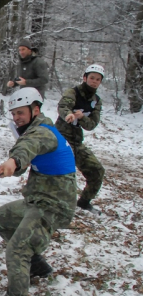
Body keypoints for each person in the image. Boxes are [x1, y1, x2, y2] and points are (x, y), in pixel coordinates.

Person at [0, 87, 76, 296]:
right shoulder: (34, 130)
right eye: (13, 114)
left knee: (17, 249)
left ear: (36, 110)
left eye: (21, 113)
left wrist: (13, 161)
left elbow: (29, 147)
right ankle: (37, 265)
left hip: (53, 205)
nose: (17, 118)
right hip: (37, 200)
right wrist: (16, 163)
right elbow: (26, 148)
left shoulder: (43, 132)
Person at [55, 64, 105, 214]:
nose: (94, 81)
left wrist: (82, 117)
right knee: (62, 174)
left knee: (97, 170)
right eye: (91, 78)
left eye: (97, 79)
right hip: (61, 139)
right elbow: (63, 106)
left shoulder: (96, 100)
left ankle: (84, 202)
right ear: (85, 78)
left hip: (76, 142)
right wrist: (68, 115)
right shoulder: (73, 92)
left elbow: (92, 125)